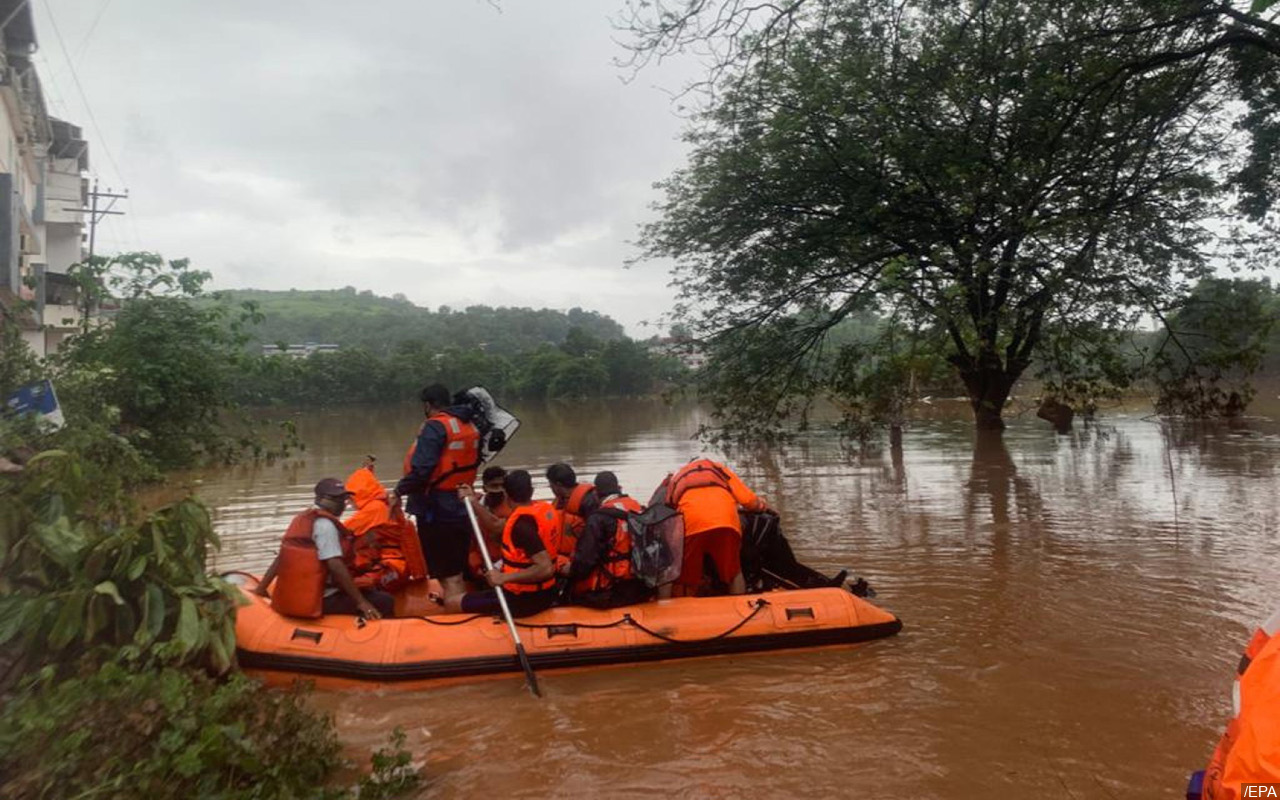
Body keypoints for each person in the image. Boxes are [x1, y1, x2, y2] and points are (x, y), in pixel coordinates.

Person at [255, 477, 393, 619]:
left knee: (370, 588)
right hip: (322, 598)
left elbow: (282, 557)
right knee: (385, 601)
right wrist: (361, 602)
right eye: (336, 499)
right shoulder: (326, 526)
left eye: (343, 499)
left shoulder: (302, 519)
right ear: (321, 499)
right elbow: (335, 565)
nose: (342, 504)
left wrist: (261, 588)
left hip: (304, 592)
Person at [394, 383, 481, 606]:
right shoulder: (468, 424)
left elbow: (422, 470)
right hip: (461, 505)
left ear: (427, 405)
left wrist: (399, 490)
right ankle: (461, 605)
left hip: (437, 510)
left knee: (448, 575)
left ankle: (458, 621)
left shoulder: (435, 427)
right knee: (456, 570)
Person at [452, 469, 560, 618]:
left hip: (524, 599)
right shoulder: (545, 509)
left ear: (507, 496)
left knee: (453, 602)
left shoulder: (521, 527)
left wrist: (504, 578)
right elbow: (496, 526)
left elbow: (545, 568)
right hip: (542, 591)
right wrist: (473, 501)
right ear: (532, 491)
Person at [661, 458, 768, 597]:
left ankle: (684, 609)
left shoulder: (678, 476)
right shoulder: (720, 470)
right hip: (726, 522)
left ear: (688, 465)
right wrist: (761, 505)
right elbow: (748, 500)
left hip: (692, 525)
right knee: (734, 572)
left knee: (687, 576)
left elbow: (670, 506)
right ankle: (739, 604)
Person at [562, 471, 654, 608]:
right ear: (619, 488)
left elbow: (584, 562)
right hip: (642, 588)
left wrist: (568, 570)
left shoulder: (598, 519)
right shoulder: (640, 511)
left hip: (611, 592)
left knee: (567, 593)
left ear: (596, 493)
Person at [342, 456, 426, 593]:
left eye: (351, 498)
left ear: (359, 494)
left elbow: (341, 531)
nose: (350, 503)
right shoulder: (382, 505)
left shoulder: (374, 510)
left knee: (355, 583)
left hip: (393, 566)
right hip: (382, 563)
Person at [545, 462, 598, 564]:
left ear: (558, 485)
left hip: (580, 561)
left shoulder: (588, 502)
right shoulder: (559, 501)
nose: (551, 488)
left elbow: (595, 538)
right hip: (561, 559)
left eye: (551, 485)